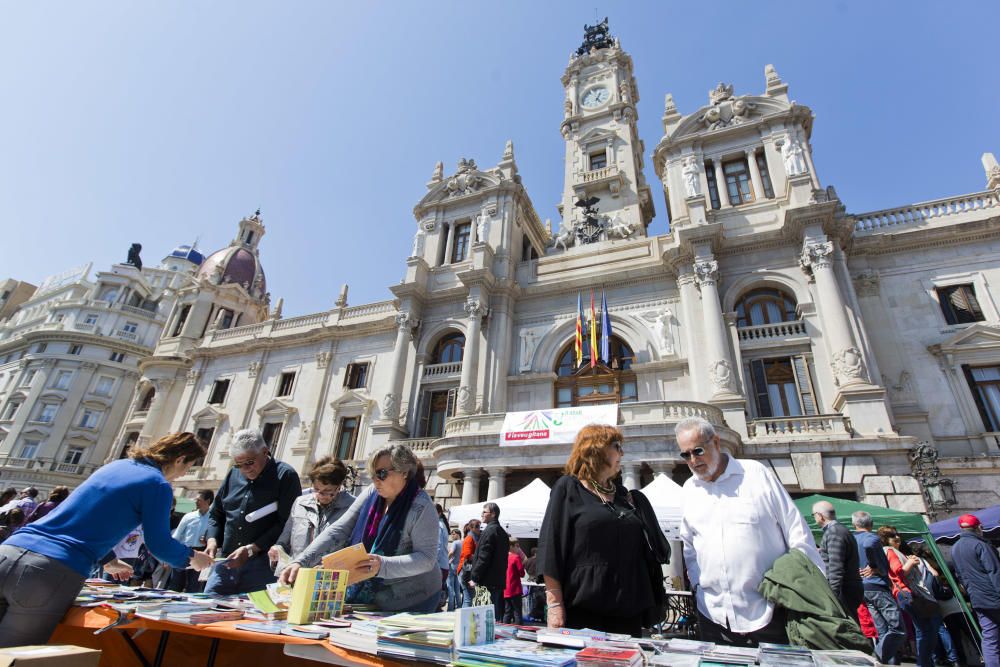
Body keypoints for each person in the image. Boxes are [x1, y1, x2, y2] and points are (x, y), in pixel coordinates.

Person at [0, 432, 214, 647]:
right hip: (49, 570)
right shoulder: (157, 485)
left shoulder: (116, 466)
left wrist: (108, 560)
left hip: (10, 551)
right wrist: (193, 558)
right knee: (12, 651)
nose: (183, 475)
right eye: (188, 467)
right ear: (179, 460)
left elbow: (83, 518)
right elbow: (159, 544)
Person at [678, 416, 824, 647]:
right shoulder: (689, 489)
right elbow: (689, 544)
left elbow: (796, 531)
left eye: (698, 451)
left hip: (770, 613)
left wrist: (810, 593)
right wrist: (697, 583)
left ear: (715, 442)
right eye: (686, 455)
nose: (693, 460)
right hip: (713, 616)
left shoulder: (756, 474)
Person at [538, 424, 668, 637]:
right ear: (595, 449)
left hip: (629, 610)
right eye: (617, 446)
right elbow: (551, 546)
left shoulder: (624, 497)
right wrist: (554, 604)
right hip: (585, 609)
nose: (622, 453)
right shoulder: (568, 488)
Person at [280, 444, 441, 613]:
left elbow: (426, 558)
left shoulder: (422, 507)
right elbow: (340, 529)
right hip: (372, 596)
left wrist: (381, 565)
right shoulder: (372, 493)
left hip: (414, 597)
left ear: (404, 472)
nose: (375, 480)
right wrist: (302, 561)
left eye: (382, 474)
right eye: (373, 474)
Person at [204, 429, 301, 595]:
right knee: (208, 608)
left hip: (262, 565)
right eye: (238, 465)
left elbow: (287, 523)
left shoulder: (285, 476)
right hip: (227, 561)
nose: (244, 470)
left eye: (249, 462)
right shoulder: (232, 475)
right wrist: (212, 541)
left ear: (265, 452)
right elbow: (216, 513)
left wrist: (251, 549)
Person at [269, 456, 355, 572]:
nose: (320, 495)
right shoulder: (300, 503)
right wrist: (277, 550)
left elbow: (354, 550)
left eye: (327, 492)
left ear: (339, 486)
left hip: (330, 580)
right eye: (316, 489)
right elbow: (283, 543)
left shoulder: (353, 508)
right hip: (296, 577)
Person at [879, 526, 940, 667]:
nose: (897, 537)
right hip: (907, 593)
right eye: (892, 536)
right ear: (886, 539)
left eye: (897, 534)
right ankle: (924, 663)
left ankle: (925, 663)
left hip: (906, 594)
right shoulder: (889, 551)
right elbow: (899, 572)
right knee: (927, 631)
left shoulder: (893, 552)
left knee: (924, 630)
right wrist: (911, 563)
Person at [853, 511, 905, 665]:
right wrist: (875, 566)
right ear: (871, 524)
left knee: (883, 631)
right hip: (877, 586)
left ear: (855, 524)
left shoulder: (851, 539)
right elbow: (869, 544)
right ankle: (876, 657)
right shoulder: (871, 538)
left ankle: (889, 662)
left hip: (863, 587)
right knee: (897, 628)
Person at [951, 513, 1000, 667]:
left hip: (977, 599)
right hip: (995, 597)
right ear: (978, 527)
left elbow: (960, 576)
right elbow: (995, 572)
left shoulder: (955, 548)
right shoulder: (981, 545)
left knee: (989, 638)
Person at [812, 501, 864, 622]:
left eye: (813, 515)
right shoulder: (839, 530)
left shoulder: (834, 532)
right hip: (848, 587)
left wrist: (833, 595)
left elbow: (836, 566)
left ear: (820, 515)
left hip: (844, 589)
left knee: (849, 629)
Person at [166, 489, 214, 592]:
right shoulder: (188, 516)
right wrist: (168, 555)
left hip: (202, 553)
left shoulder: (214, 518)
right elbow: (176, 536)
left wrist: (207, 540)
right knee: (175, 585)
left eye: (199, 500)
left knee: (195, 587)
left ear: (208, 501)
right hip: (185, 551)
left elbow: (217, 537)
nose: (196, 502)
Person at [468, 502, 510, 620]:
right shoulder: (501, 532)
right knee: (492, 617)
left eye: (484, 512)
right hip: (496, 581)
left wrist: (475, 577)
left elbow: (484, 558)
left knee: (482, 619)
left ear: (493, 514)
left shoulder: (490, 531)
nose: (482, 514)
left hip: (486, 582)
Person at [459, 519, 481, 607]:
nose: (480, 529)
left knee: (469, 598)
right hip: (466, 572)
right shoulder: (469, 538)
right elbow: (467, 555)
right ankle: (464, 620)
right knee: (468, 599)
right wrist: (479, 559)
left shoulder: (473, 538)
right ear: (472, 528)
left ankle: (465, 619)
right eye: (478, 527)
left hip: (468, 572)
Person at [504, 541, 526, 625]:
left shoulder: (503, 557)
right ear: (512, 546)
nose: (518, 549)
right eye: (517, 546)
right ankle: (518, 631)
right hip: (515, 589)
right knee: (517, 612)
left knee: (507, 611)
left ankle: (505, 629)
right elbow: (522, 574)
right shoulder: (516, 557)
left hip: (505, 589)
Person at [446, 528, 463, 611]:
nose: (452, 536)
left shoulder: (455, 543)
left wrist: (446, 559)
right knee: (457, 589)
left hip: (452, 567)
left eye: (453, 534)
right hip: (459, 568)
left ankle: (450, 608)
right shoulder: (462, 543)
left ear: (458, 534)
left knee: (450, 588)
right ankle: (459, 607)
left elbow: (451, 552)